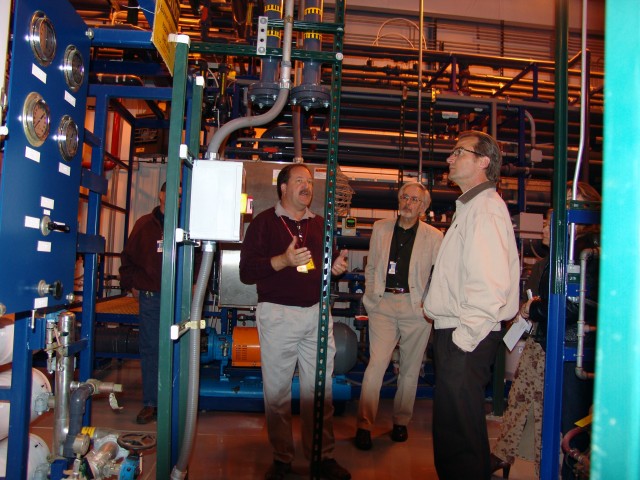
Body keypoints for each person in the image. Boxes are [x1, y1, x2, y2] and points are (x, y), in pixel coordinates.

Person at [239, 163, 351, 480]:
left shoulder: (320, 226)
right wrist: (284, 260)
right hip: (278, 315)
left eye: (310, 181)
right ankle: (282, 459)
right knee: (277, 394)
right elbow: (247, 272)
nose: (307, 186)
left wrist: (335, 270)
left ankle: (321, 456)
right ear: (283, 188)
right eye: (299, 180)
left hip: (317, 313)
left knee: (321, 390)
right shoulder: (263, 223)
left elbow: (319, 269)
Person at [423, 130, 520, 480]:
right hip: (457, 332)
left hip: (466, 335)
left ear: (483, 161)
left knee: (457, 438)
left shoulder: (486, 209)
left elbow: (490, 286)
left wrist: (463, 340)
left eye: (457, 152)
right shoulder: (472, 207)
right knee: (460, 431)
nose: (449, 158)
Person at [354, 182, 443, 450]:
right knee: (375, 366)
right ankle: (364, 425)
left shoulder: (434, 236)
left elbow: (438, 276)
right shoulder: (380, 228)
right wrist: (370, 299)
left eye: (414, 200)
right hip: (383, 305)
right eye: (404, 197)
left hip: (415, 309)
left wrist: (427, 306)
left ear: (424, 207)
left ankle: (401, 422)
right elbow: (371, 267)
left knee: (409, 370)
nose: (408, 203)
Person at [490, 208, 552, 478]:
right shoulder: (545, 264)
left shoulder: (573, 262)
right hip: (538, 342)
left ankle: (545, 464)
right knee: (519, 398)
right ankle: (503, 455)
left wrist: (532, 309)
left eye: (549, 223)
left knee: (541, 408)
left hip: (555, 346)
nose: (544, 228)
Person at [119, 181, 167, 425]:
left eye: (182, 196)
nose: (178, 200)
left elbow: (200, 259)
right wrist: (132, 285)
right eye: (173, 195)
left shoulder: (188, 226)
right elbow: (126, 259)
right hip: (151, 298)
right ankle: (151, 403)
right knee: (150, 350)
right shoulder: (144, 226)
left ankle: (171, 402)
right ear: (161, 195)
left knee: (178, 351)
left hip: (178, 300)